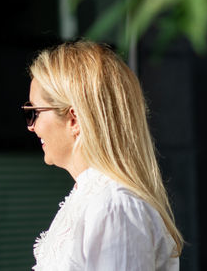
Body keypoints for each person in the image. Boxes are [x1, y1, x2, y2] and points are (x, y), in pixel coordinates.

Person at [22, 39, 183, 270]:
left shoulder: (114, 206)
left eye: (33, 112)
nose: (31, 126)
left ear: (74, 119)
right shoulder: (96, 200)